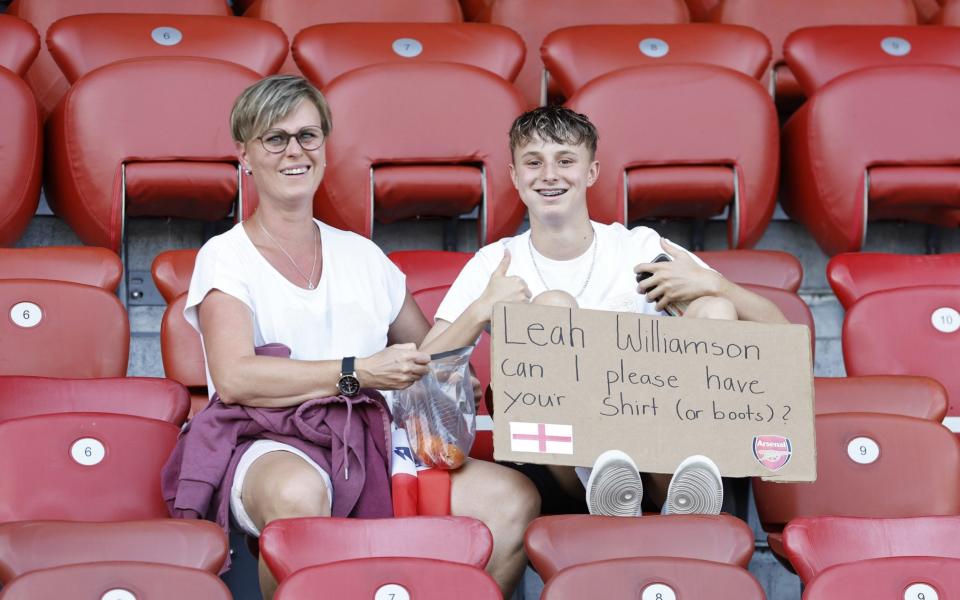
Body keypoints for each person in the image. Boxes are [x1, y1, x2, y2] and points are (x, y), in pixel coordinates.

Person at [162, 75, 539, 600]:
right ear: (244, 154)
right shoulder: (226, 255)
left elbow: (427, 359)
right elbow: (236, 376)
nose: (295, 151)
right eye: (275, 138)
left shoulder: (362, 255)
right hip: (271, 441)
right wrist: (357, 372)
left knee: (510, 496)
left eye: (308, 136)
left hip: (375, 439)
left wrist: (477, 315)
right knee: (299, 491)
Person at [421, 105, 789, 517]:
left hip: (665, 458)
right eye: (533, 163)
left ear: (591, 172)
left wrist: (716, 285)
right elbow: (421, 371)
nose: (549, 175)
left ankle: (683, 497)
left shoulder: (641, 248)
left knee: (715, 309)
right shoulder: (497, 263)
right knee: (551, 309)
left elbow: (782, 338)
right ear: (514, 177)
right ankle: (609, 484)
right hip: (565, 472)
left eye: (565, 161)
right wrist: (480, 311)